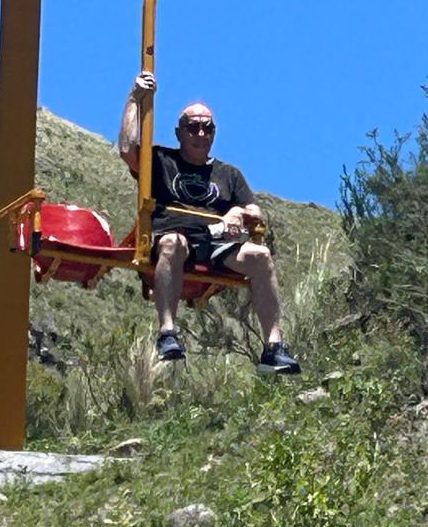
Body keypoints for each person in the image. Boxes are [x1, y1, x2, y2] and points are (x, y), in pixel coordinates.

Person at [118, 70, 300, 373]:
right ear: (179, 132)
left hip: (215, 243)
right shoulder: (161, 160)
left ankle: (273, 347)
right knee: (173, 243)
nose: (200, 135)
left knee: (260, 255)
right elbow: (127, 149)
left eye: (207, 128)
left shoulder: (229, 175)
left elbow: (256, 212)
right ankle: (167, 333)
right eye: (192, 128)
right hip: (175, 236)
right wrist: (135, 98)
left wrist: (236, 215)